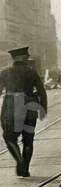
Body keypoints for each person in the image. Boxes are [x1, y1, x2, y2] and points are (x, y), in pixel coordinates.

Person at [0, 47, 48, 177]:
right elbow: (42, 91)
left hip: (11, 107)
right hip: (30, 106)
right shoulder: (32, 72)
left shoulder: (4, 72)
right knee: (28, 139)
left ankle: (20, 162)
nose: (28, 57)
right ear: (21, 57)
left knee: (9, 137)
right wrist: (43, 108)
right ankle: (25, 168)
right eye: (26, 56)